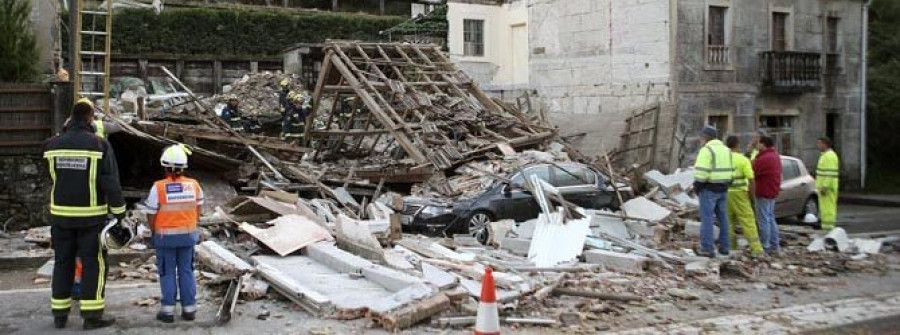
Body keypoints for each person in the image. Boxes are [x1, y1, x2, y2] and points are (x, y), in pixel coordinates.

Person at [43, 97, 125, 330]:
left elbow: (53, 178)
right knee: (93, 263)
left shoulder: (51, 145)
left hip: (60, 216)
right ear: (90, 118)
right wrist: (119, 214)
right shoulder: (99, 145)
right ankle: (91, 316)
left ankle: (60, 315)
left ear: (71, 117)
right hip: (91, 218)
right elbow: (110, 182)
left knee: (62, 262)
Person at [144, 144, 203, 323]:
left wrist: (154, 231)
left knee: (167, 272)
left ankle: (168, 311)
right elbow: (198, 208)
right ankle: (189, 309)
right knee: (186, 270)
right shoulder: (194, 185)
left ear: (165, 167)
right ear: (183, 167)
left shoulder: (158, 187)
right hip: (188, 236)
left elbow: (151, 213)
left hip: (165, 237)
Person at [692, 126, 733, 257]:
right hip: (723, 187)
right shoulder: (726, 150)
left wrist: (697, 187)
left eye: (701, 136)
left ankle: (707, 248)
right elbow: (731, 170)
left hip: (708, 188)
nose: (700, 139)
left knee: (707, 219)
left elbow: (701, 172)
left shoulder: (706, 150)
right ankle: (725, 247)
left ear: (705, 137)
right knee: (723, 218)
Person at [725, 136, 764, 257]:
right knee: (748, 220)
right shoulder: (743, 160)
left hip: (725, 193)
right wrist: (752, 196)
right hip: (740, 193)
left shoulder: (723, 159)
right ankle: (756, 249)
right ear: (737, 145)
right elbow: (751, 179)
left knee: (727, 221)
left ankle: (731, 246)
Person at [752, 135, 783, 254]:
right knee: (770, 218)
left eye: (758, 143)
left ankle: (765, 245)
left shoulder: (764, 158)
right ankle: (775, 245)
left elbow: (752, 169)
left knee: (763, 219)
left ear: (763, 144)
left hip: (763, 191)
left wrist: (752, 151)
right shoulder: (774, 156)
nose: (757, 145)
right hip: (772, 191)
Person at [816, 137, 840, 231]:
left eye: (819, 143)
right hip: (824, 188)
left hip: (827, 188)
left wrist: (825, 186)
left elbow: (830, 173)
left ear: (825, 144)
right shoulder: (825, 155)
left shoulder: (829, 156)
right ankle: (826, 227)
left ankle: (829, 229)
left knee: (828, 209)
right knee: (825, 209)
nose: (818, 146)